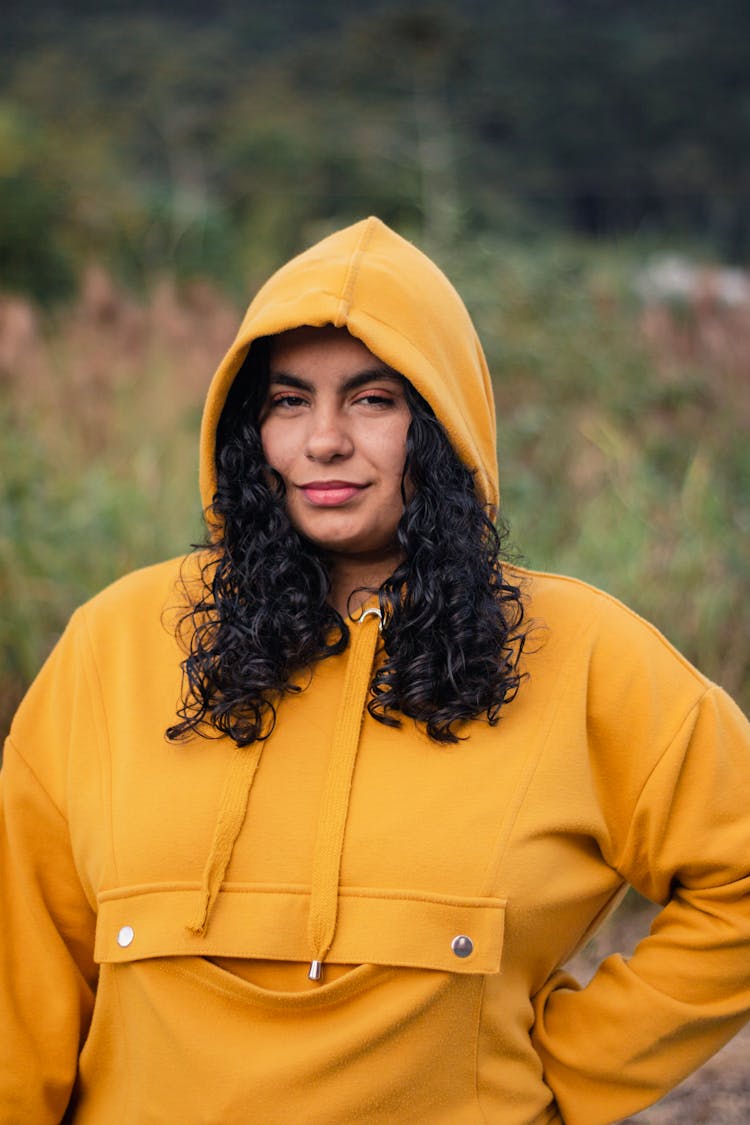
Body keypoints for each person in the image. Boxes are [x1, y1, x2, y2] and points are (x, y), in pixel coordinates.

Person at [1, 216, 749, 1125]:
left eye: (372, 399)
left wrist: (567, 1075)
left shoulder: (586, 653)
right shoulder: (114, 643)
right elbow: (21, 978)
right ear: (251, 430)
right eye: (287, 401)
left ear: (441, 425)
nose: (323, 441)